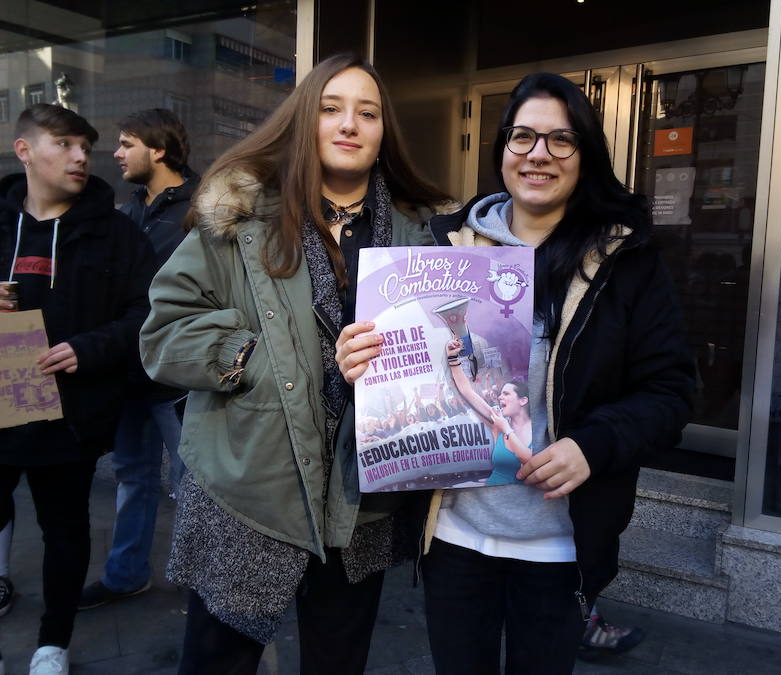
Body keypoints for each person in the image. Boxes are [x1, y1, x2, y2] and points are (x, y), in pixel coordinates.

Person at [339, 72, 694, 674]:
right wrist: (362, 363)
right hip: (454, 536)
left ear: (585, 155)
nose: (538, 154)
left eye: (560, 140)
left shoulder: (626, 260)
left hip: (558, 545)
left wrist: (593, 445)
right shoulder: (442, 248)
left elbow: (672, 392)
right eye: (523, 137)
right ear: (502, 148)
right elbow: (410, 369)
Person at [139, 53, 449, 674]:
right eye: (331, 108)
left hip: (363, 496)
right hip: (249, 487)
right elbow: (164, 335)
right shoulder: (240, 219)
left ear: (385, 131)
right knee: (216, 660)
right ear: (304, 120)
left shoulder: (423, 238)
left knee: (339, 659)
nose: (349, 124)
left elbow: (453, 351)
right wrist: (256, 355)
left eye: (367, 112)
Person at [0, 104, 155, 675]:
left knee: (63, 530)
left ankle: (52, 644)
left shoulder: (113, 230)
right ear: (25, 150)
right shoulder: (0, 220)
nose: (79, 157)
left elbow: (149, 310)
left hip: (71, 413)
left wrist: (91, 348)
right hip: (0, 401)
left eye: (84, 148)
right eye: (64, 144)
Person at [80, 108, 197, 611]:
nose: (116, 154)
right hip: (129, 374)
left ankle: (205, 578)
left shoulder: (204, 208)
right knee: (134, 477)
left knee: (197, 481)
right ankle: (126, 574)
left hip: (182, 379)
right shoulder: (126, 214)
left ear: (159, 149)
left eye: (127, 143)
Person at [444, 341, 532, 486]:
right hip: (491, 495)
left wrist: (507, 429)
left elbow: (530, 460)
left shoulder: (536, 426)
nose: (499, 397)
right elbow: (467, 392)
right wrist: (453, 359)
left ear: (523, 401)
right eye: (500, 393)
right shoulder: (498, 423)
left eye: (506, 394)